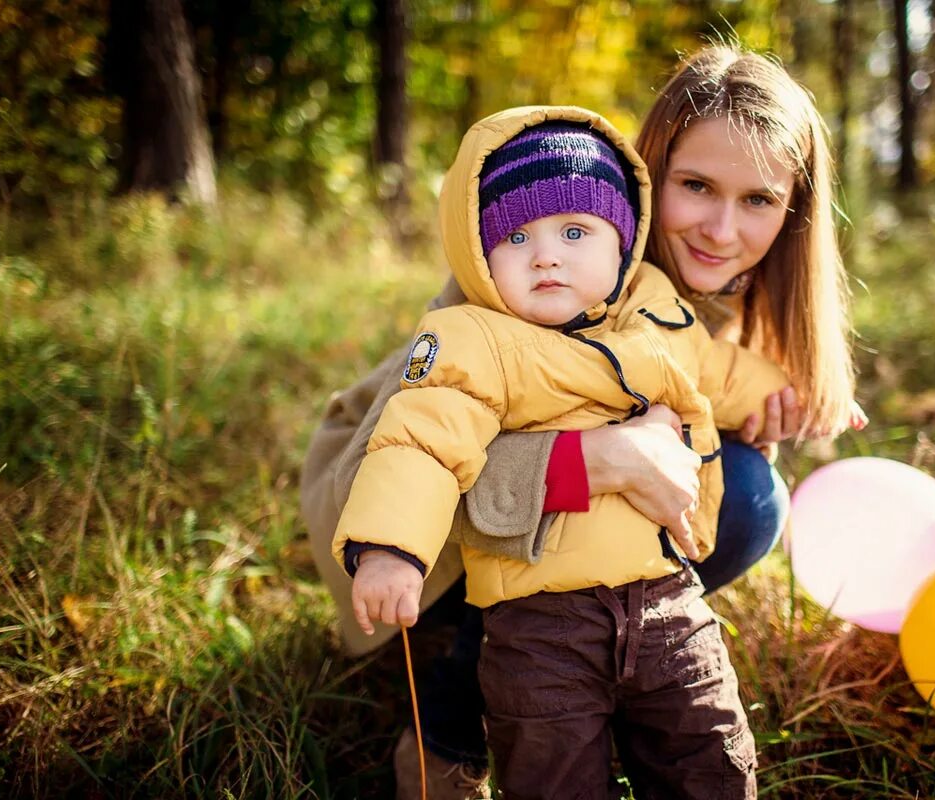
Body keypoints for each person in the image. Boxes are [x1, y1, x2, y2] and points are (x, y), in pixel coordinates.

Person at [300, 46, 864, 798]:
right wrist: (607, 458)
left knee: (749, 493)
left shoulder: (706, 295)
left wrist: (791, 395)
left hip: (558, 545)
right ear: (648, 170)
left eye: (758, 200)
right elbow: (421, 443)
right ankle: (449, 722)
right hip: (386, 510)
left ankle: (626, 672)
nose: (723, 229)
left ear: (792, 208)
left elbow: (711, 375)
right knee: (734, 496)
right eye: (695, 186)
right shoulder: (540, 251)